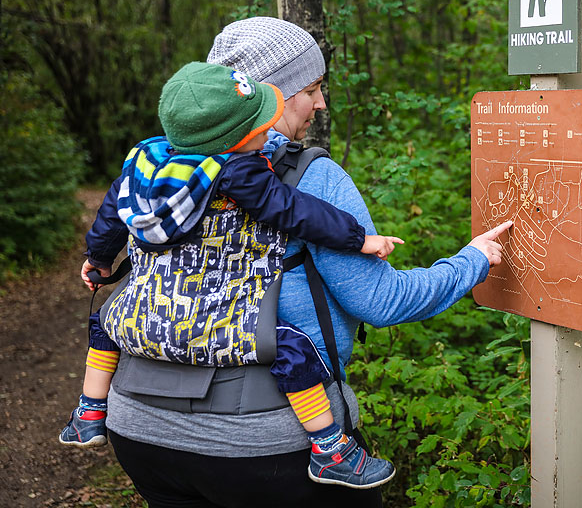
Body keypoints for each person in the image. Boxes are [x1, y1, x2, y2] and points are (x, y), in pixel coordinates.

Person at [100, 16, 513, 506]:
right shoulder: (309, 177)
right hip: (267, 439)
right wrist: (471, 261)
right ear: (270, 96)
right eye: (311, 89)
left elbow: (107, 232)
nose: (321, 104)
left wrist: (96, 260)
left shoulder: (153, 172)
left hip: (139, 428)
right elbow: (381, 302)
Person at [61, 61, 403, 488]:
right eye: (259, 125)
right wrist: (359, 239)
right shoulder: (236, 170)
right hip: (221, 316)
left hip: (151, 316)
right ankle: (330, 449)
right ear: (230, 138)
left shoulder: (145, 160)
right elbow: (295, 211)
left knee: (106, 322)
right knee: (293, 348)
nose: (269, 129)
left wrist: (98, 258)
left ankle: (88, 413)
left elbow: (114, 209)